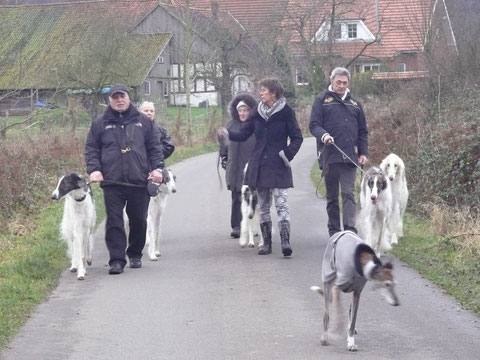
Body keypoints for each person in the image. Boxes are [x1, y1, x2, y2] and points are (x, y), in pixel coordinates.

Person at [218, 78, 303, 256]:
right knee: (263, 205)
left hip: (279, 164)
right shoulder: (256, 112)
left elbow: (297, 138)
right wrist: (227, 134)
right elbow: (243, 133)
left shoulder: (286, 112)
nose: (261, 93)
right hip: (260, 165)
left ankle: (285, 242)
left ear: (274, 93)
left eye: (264, 90)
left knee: (281, 204)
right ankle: (266, 244)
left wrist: (287, 155)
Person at [85, 84, 164, 275]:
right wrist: (94, 170)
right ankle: (116, 260)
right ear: (110, 100)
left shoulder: (143, 121)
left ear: (129, 98)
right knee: (114, 221)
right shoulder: (100, 123)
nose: (119, 100)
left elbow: (154, 147)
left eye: (123, 97)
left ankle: (135, 254)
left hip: (138, 179)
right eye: (115, 97)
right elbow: (91, 150)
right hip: (112, 181)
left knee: (138, 219)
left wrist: (157, 168)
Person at [309, 67, 369, 237]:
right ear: (331, 81)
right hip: (329, 157)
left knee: (348, 194)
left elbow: (363, 131)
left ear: (348, 83)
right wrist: (324, 136)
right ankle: (334, 231)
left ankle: (350, 231)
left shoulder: (355, 104)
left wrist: (363, 153)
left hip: (350, 157)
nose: (341, 86)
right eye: (338, 82)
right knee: (333, 197)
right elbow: (314, 125)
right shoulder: (321, 101)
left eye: (344, 83)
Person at [219, 93, 258, 239]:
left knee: (252, 197)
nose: (242, 113)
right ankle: (236, 226)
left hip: (250, 166)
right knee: (236, 196)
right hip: (234, 167)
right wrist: (224, 157)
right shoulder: (231, 124)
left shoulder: (255, 125)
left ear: (250, 111)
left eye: (245, 110)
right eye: (240, 110)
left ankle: (252, 225)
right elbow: (224, 143)